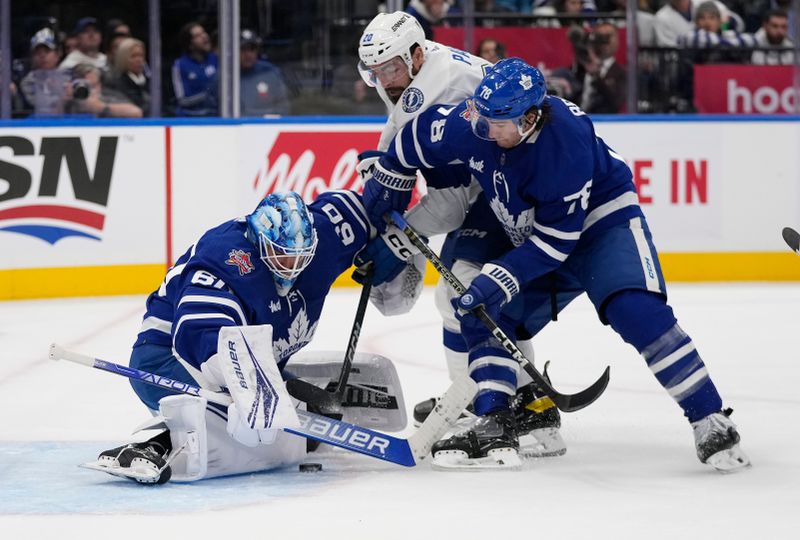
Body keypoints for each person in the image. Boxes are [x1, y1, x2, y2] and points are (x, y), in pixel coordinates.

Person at [360, 58, 750, 473]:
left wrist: (503, 278)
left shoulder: (565, 142)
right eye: (484, 118)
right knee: (475, 306)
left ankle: (709, 417)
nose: (487, 131)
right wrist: (391, 176)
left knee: (634, 309)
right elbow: (417, 137)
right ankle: (497, 416)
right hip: (532, 229)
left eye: (499, 124)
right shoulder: (476, 122)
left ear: (530, 118)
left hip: (601, 225)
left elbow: (558, 241)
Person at [89, 190, 421, 484]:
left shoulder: (325, 238)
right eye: (283, 255)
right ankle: (153, 444)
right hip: (169, 359)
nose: (292, 266)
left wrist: (398, 236)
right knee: (251, 431)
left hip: (245, 356)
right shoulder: (225, 263)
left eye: (300, 257)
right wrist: (267, 393)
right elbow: (205, 343)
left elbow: (371, 204)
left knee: (308, 420)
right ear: (259, 242)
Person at [356, 11, 565, 458]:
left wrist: (402, 233)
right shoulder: (419, 74)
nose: (384, 80)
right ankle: (516, 402)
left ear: (415, 54)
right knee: (463, 298)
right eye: (374, 72)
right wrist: (382, 166)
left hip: (512, 192)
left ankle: (502, 406)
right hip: (494, 188)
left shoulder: (441, 85)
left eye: (390, 68)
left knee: (465, 295)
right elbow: (405, 143)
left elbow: (449, 203)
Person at [206, 29, 290, 116]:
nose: (248, 54)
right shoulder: (223, 77)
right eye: (243, 49)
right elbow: (212, 113)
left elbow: (282, 108)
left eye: (252, 49)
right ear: (234, 51)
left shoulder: (270, 72)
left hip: (266, 127)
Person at [20, 28, 70, 116]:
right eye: (38, 52)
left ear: (58, 53)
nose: (42, 56)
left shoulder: (69, 77)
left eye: (47, 51)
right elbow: (44, 111)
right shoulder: (28, 82)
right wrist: (63, 98)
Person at [171, 21, 218, 116]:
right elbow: (182, 101)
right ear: (190, 44)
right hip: (191, 118)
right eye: (198, 35)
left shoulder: (216, 59)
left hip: (214, 115)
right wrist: (207, 95)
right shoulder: (180, 65)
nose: (204, 36)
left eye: (204, 32)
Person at [64, 63, 142, 118]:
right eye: (84, 85)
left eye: (93, 86)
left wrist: (101, 107)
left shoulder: (108, 98)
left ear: (100, 86)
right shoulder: (68, 99)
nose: (88, 91)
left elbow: (136, 113)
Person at [107, 37, 150, 114]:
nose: (139, 60)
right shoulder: (116, 84)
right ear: (123, 58)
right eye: (134, 56)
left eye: (141, 55)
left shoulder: (151, 83)